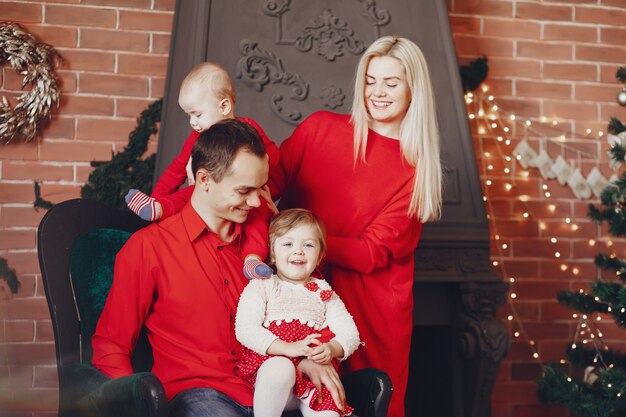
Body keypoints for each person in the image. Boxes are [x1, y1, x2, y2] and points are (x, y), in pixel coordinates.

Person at [92, 119, 345, 417]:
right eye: (244, 190)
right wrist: (132, 407)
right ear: (204, 180)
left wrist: (314, 356)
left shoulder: (275, 245)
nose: (256, 200)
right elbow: (111, 346)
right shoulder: (149, 248)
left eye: (262, 187)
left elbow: (311, 308)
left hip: (273, 390)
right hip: (198, 394)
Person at [269, 36, 442, 417]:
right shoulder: (319, 129)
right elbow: (267, 183)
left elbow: (370, 254)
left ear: (414, 90)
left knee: (363, 404)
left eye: (392, 83)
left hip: (369, 306)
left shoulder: (415, 172)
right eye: (370, 80)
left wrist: (299, 243)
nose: (377, 92)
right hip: (297, 292)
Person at [125, 62, 279, 280]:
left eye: (197, 114)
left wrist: (262, 175)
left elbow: (272, 154)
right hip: (202, 195)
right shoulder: (197, 140)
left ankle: (252, 258)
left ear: (224, 107)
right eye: (189, 115)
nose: (192, 122)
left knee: (258, 216)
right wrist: (157, 196)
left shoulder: (248, 130)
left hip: (255, 193)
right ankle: (158, 207)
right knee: (188, 193)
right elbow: (176, 170)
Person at [235, 209, 360, 417]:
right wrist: (287, 348)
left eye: (308, 245)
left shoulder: (324, 292)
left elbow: (350, 333)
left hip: (311, 379)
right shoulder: (263, 286)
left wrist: (332, 348)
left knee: (330, 407)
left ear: (320, 255)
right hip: (269, 372)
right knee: (281, 368)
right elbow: (245, 329)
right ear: (273, 253)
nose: (298, 251)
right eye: (287, 244)